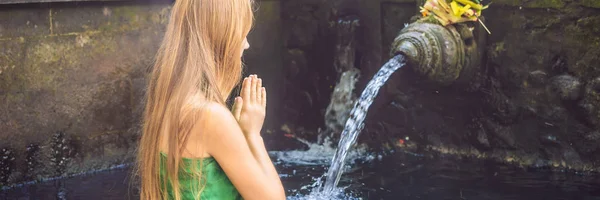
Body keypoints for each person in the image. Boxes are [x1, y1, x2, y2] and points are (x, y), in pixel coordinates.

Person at [136, 0, 285, 199]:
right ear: (223, 38)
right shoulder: (210, 116)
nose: (246, 44)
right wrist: (252, 135)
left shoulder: (168, 98)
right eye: (243, 34)